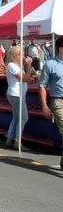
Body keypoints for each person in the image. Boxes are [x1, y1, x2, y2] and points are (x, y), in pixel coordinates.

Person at [39, 36, 63, 169]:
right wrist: (44, 106)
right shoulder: (50, 64)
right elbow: (42, 85)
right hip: (58, 101)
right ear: (60, 48)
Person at [4, 46, 33, 149]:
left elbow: (27, 77)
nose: (23, 56)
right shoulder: (12, 66)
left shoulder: (17, 66)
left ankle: (9, 139)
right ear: (15, 55)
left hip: (18, 94)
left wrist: (28, 65)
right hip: (16, 94)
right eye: (21, 54)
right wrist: (28, 65)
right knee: (24, 117)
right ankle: (17, 141)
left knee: (16, 117)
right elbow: (25, 78)